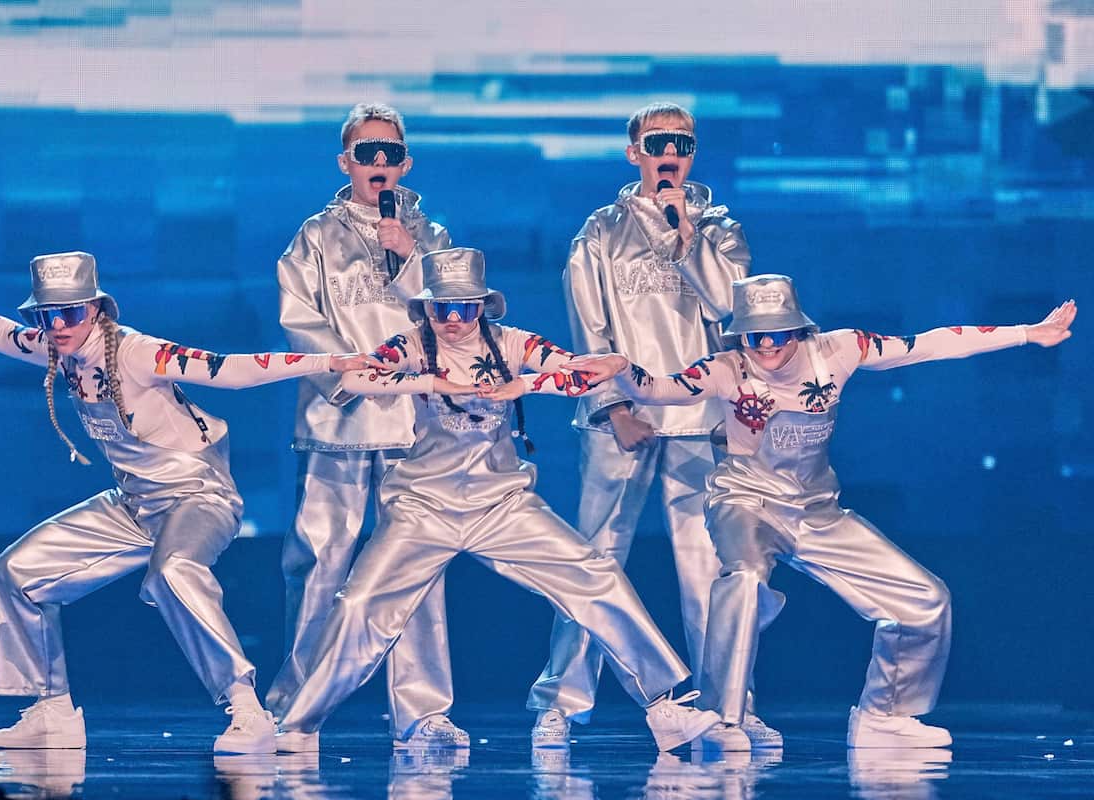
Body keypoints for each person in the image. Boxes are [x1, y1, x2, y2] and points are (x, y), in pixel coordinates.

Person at [510, 274, 1077, 749]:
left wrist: (1029, 333)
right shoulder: (727, 368)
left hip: (818, 512)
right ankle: (721, 717)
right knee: (745, 578)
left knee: (925, 600)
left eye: (776, 334)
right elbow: (659, 389)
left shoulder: (841, 350)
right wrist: (609, 374)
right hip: (745, 500)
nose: (765, 346)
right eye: (754, 336)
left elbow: (930, 343)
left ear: (798, 327)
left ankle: (884, 716)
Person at [0, 251, 376, 754]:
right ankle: (50, 709)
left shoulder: (137, 352)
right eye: (46, 316)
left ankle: (247, 709)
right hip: (134, 504)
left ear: (96, 310)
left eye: (69, 313)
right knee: (18, 572)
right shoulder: (57, 350)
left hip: (197, 495)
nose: (56, 326)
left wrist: (327, 361)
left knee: (174, 572)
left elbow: (230, 370)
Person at [272, 247, 722, 754]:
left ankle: (663, 706)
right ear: (425, 309)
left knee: (598, 577)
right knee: (358, 605)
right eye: (442, 308)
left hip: (502, 504)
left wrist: (538, 381)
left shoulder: (511, 342)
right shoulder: (411, 346)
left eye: (465, 307)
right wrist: (435, 381)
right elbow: (356, 377)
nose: (454, 320)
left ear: (483, 306)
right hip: (423, 507)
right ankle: (299, 725)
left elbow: (579, 372)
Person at [528, 101, 773, 752]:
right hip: (625, 416)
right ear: (633, 150)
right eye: (658, 141)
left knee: (709, 566)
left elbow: (735, 309)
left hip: (703, 417)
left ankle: (730, 706)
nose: (671, 152)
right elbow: (589, 328)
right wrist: (612, 405)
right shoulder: (600, 231)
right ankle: (562, 701)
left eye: (683, 143)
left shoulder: (718, 226)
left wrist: (689, 237)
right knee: (594, 557)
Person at [266, 103, 467, 748]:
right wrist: (346, 374)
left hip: (417, 421)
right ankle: (296, 699)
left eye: (389, 153)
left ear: (405, 162)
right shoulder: (314, 236)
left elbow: (457, 314)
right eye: (365, 153)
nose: (378, 164)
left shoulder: (431, 234)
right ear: (345, 162)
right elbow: (297, 315)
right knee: (321, 556)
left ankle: (423, 709)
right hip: (338, 418)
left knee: (417, 562)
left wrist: (410, 256)